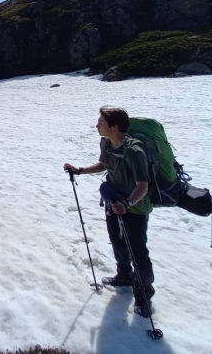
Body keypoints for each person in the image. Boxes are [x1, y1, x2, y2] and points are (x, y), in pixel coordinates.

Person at [64, 105, 156, 317]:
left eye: (101, 123)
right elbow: (104, 164)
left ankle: (144, 296)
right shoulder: (106, 142)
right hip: (113, 201)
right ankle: (124, 275)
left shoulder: (134, 151)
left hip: (135, 207)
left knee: (138, 251)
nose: (97, 125)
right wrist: (80, 170)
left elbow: (143, 186)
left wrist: (128, 204)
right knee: (117, 240)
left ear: (114, 126)